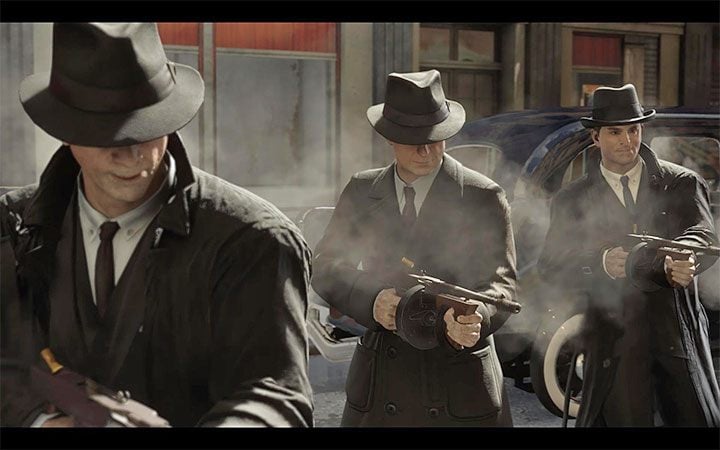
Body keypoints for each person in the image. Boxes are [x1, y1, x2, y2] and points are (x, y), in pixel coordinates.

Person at [0, 23, 313, 427]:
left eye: (146, 127)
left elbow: (274, 397)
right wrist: (41, 423)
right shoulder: (12, 226)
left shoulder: (252, 240)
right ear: (66, 132)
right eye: (105, 134)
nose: (131, 154)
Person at [311, 70, 518, 426]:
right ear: (390, 139)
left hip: (459, 378)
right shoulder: (362, 190)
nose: (426, 150)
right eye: (414, 140)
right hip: (384, 380)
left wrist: (477, 319)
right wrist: (372, 300)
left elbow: (502, 284)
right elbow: (325, 267)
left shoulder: (483, 195)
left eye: (435, 138)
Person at [537, 84, 720, 427]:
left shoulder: (681, 182)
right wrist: (600, 261)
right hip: (614, 341)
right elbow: (551, 264)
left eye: (633, 130)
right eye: (615, 132)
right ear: (595, 137)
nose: (627, 140)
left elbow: (703, 233)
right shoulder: (572, 200)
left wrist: (686, 256)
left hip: (676, 333)